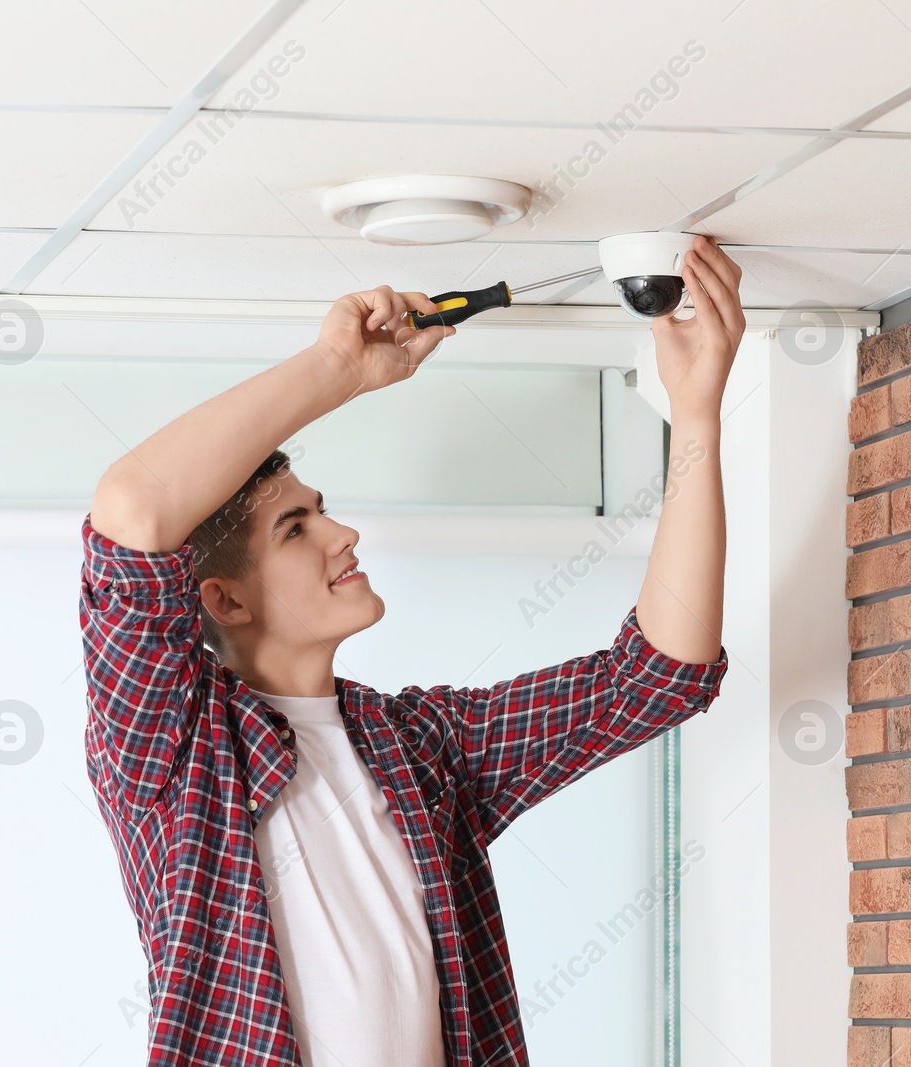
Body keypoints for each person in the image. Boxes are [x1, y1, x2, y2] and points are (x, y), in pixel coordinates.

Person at [79, 235, 745, 1067]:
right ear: (225, 598)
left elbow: (657, 679)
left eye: (321, 509)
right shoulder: (173, 750)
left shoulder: (420, 746)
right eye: (296, 527)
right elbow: (133, 509)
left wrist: (697, 413)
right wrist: (338, 368)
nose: (343, 532)